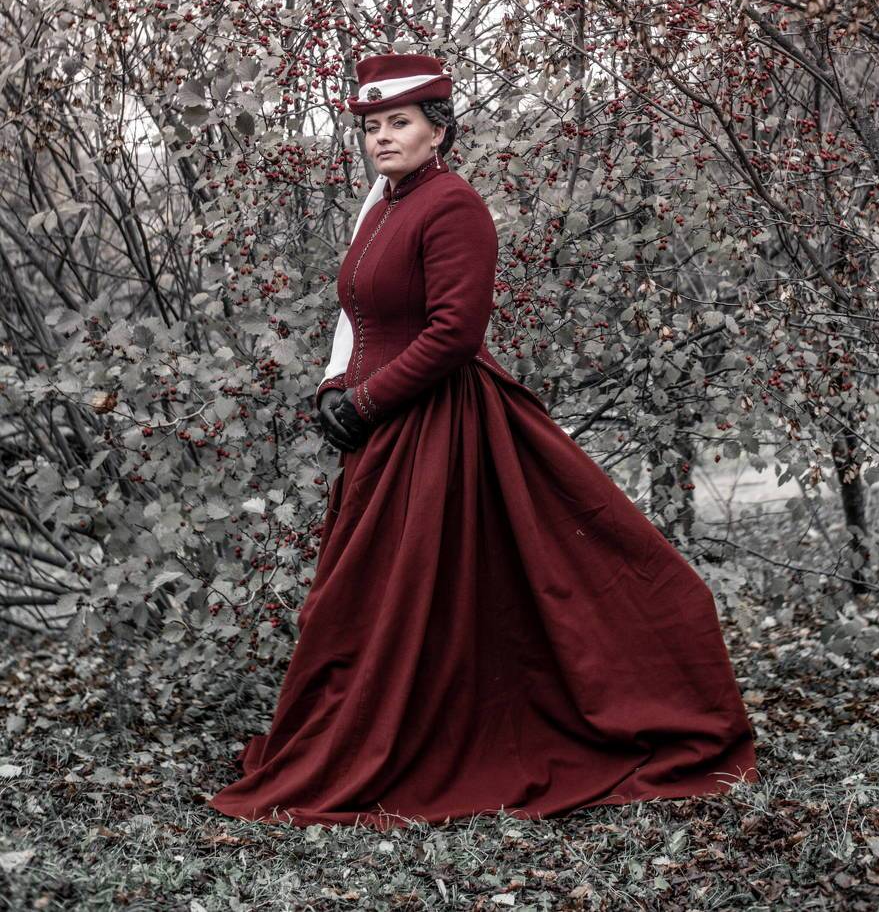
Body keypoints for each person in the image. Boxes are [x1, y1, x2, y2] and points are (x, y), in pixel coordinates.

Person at [208, 52, 758, 828]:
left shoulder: (453, 206)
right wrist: (333, 390)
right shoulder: (383, 206)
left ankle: (452, 735)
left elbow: (454, 334)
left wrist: (366, 402)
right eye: (371, 126)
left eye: (398, 122)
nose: (381, 137)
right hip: (378, 430)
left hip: (436, 426)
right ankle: (367, 730)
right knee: (364, 600)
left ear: (438, 130)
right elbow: (360, 319)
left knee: (432, 592)